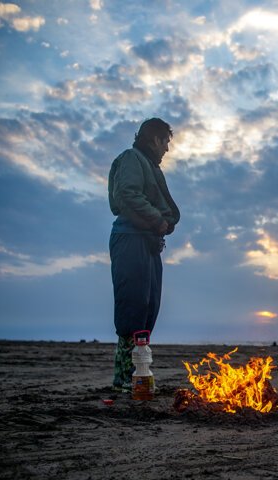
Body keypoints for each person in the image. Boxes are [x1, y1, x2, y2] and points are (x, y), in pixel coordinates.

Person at [107, 118, 180, 392]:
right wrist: (156, 219)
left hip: (146, 242)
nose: (167, 150)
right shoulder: (131, 159)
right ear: (154, 139)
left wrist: (159, 229)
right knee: (133, 306)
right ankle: (125, 375)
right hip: (129, 239)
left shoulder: (148, 164)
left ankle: (137, 372)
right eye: (166, 143)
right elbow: (127, 195)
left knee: (149, 307)